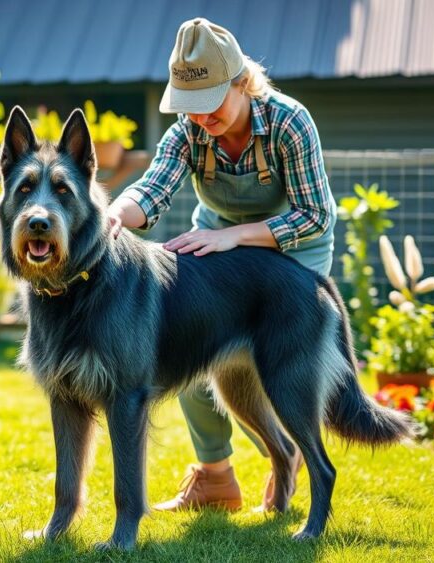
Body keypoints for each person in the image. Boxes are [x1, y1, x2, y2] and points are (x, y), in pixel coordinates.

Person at [106, 17, 336, 512]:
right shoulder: (189, 133)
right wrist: (111, 215)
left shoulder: (289, 123)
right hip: (217, 243)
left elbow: (315, 216)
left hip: (292, 246)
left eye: (210, 102)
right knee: (188, 351)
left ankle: (287, 456)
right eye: (190, 107)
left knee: (278, 371)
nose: (200, 117)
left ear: (242, 84)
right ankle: (215, 479)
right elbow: (151, 191)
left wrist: (235, 236)